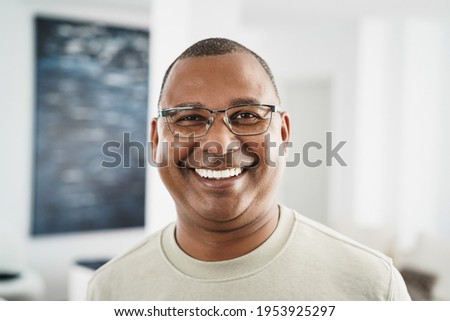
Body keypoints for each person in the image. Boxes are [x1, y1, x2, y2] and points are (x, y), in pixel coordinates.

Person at [88, 38, 411, 300]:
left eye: (246, 115)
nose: (218, 143)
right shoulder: (111, 290)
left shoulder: (371, 285)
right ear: (157, 137)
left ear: (283, 133)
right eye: (189, 117)